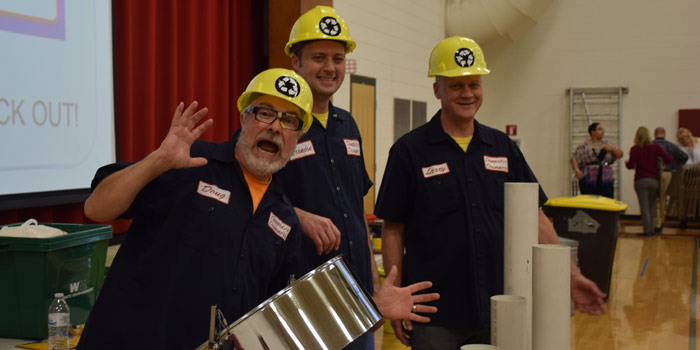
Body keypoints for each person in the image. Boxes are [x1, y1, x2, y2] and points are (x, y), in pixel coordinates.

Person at [76, 69, 438, 349]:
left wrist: (371, 307)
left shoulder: (283, 219)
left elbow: (280, 322)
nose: (276, 127)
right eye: (265, 113)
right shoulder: (190, 167)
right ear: (244, 119)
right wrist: (157, 160)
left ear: (298, 139)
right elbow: (96, 208)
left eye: (290, 121)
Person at [374, 36, 607, 349]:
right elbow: (393, 228)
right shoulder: (409, 151)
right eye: (456, 86)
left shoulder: (502, 148)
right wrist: (397, 291)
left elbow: (534, 216)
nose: (467, 94)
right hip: (434, 312)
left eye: (474, 84)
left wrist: (571, 276)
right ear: (437, 90)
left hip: (501, 309)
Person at [276, 7, 379, 350]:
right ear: (296, 62)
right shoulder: (276, 124)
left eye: (337, 59)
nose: (330, 68)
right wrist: (298, 216)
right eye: (319, 57)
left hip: (356, 294)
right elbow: (251, 197)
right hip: (304, 300)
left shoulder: (347, 124)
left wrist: (374, 285)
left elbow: (357, 208)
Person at [625, 127, 672, 237]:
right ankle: (652, 230)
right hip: (654, 180)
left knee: (644, 207)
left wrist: (626, 163)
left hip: (641, 180)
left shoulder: (635, 149)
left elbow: (631, 166)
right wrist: (663, 165)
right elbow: (668, 158)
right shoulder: (655, 147)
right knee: (651, 206)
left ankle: (647, 231)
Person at [570, 122, 624, 198]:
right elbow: (574, 159)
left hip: (606, 179)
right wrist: (577, 170)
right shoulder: (584, 146)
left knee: (607, 202)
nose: (602, 131)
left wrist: (611, 148)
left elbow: (620, 154)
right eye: (599, 129)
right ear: (593, 132)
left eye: (602, 129)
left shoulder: (608, 143)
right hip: (588, 179)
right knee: (590, 203)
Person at [652, 127, 688, 232]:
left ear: (655, 134)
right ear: (664, 134)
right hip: (666, 173)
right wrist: (673, 163)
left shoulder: (649, 145)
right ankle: (660, 223)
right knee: (662, 198)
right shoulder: (670, 145)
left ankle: (653, 222)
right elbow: (684, 157)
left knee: (653, 199)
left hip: (651, 174)